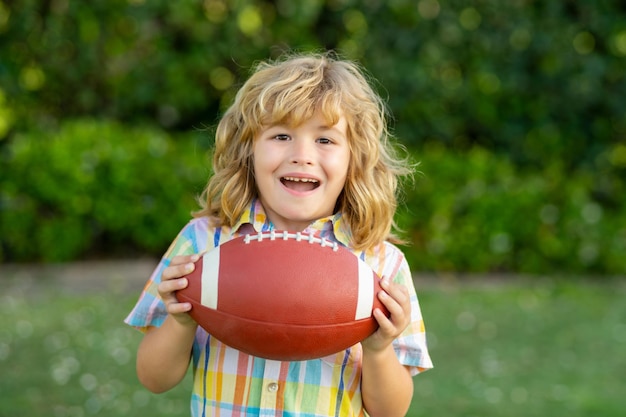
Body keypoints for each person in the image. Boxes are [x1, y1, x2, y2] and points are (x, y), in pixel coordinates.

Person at [125, 52, 433, 417]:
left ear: (356, 157)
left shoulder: (380, 266)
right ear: (248, 150)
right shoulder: (203, 244)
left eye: (325, 140)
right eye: (282, 135)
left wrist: (379, 349)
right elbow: (154, 378)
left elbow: (391, 412)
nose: (302, 155)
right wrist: (181, 320)